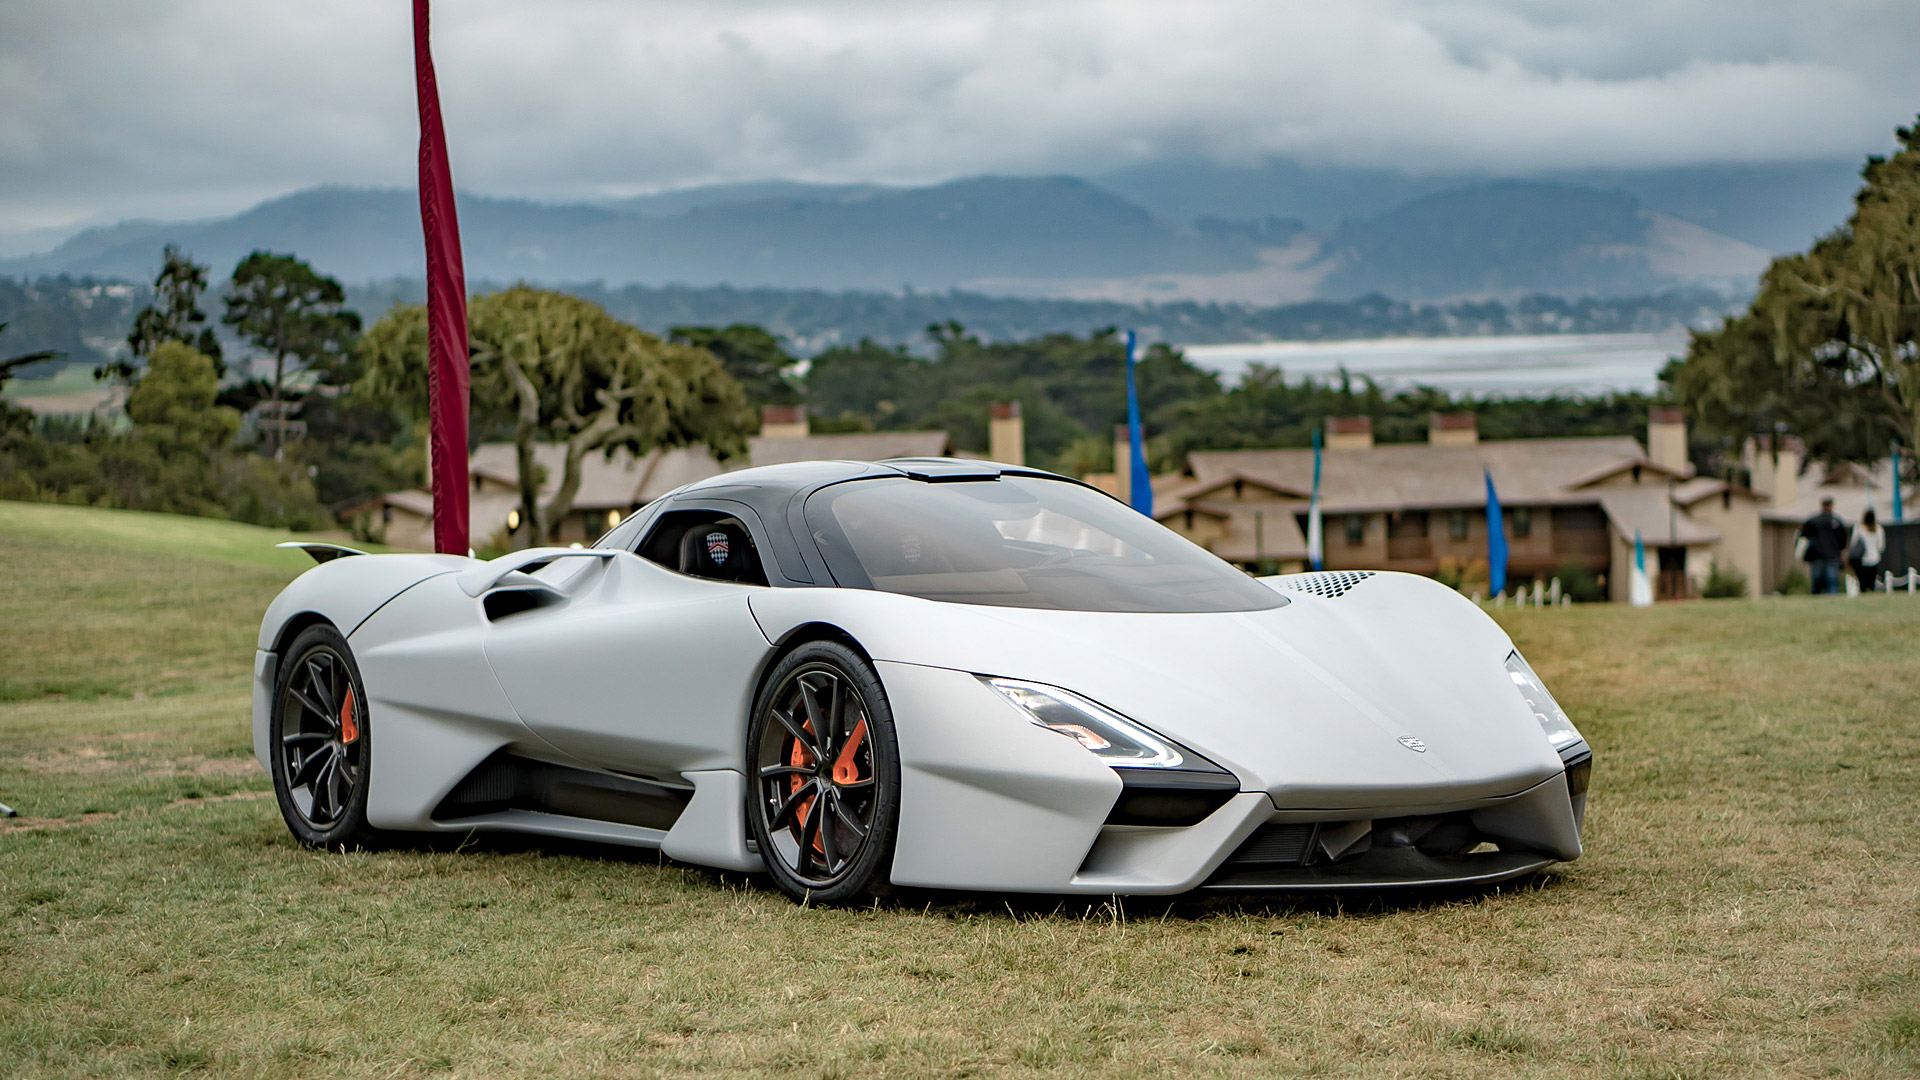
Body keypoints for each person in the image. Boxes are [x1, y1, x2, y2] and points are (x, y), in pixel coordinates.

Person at [1796, 497, 1848, 595]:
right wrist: (1842, 553)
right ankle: (1832, 602)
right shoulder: (1836, 521)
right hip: (1832, 556)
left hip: (1817, 556)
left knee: (1817, 582)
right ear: (1831, 506)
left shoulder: (1813, 521)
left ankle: (1816, 601)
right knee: (1832, 582)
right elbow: (1843, 540)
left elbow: (1803, 537)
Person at [1850, 506, 1886, 593]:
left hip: (1861, 559)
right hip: (1874, 559)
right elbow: (1881, 546)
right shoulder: (1879, 529)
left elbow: (1853, 543)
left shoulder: (1858, 528)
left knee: (1862, 584)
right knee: (1871, 583)